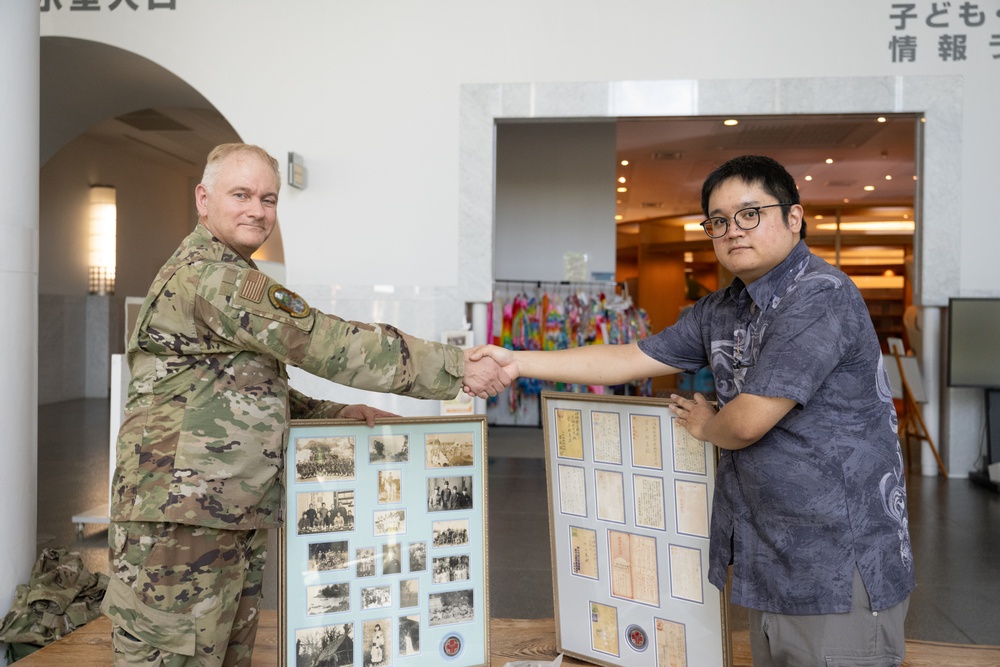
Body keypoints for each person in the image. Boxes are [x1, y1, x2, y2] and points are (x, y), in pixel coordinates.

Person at [470, 155, 915, 665]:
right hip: (772, 556)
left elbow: (747, 421)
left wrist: (706, 425)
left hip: (841, 559)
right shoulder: (723, 308)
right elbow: (631, 357)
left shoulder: (820, 295)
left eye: (750, 214)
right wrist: (515, 360)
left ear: (794, 218)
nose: (732, 231)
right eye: (718, 221)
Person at [101, 142, 509, 666]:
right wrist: (456, 368)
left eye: (269, 199)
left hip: (218, 516)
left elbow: (248, 397)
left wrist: (341, 415)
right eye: (241, 194)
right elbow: (325, 341)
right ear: (203, 199)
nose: (258, 210)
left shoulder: (222, 271)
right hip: (181, 526)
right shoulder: (212, 277)